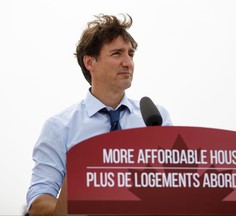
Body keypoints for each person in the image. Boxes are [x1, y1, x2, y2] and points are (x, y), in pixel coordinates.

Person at [26, 13, 172, 215]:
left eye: (130, 54)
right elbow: (39, 202)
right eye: (117, 54)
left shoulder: (155, 118)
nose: (128, 62)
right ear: (90, 62)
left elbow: (179, 186)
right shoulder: (59, 127)